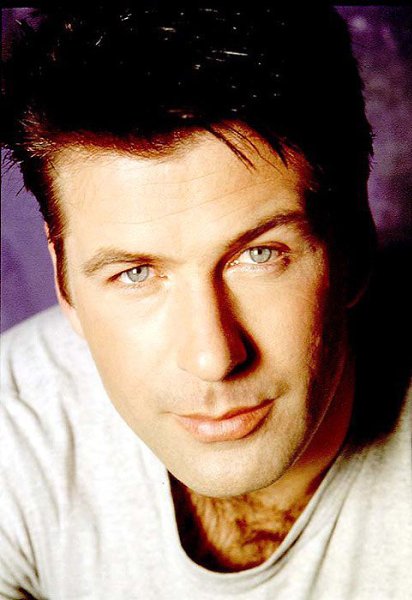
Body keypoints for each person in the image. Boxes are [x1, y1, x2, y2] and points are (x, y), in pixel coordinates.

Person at [1, 3, 410, 598]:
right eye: (136, 272)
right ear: (64, 281)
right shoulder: (15, 426)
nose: (212, 358)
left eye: (260, 255)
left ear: (353, 245)